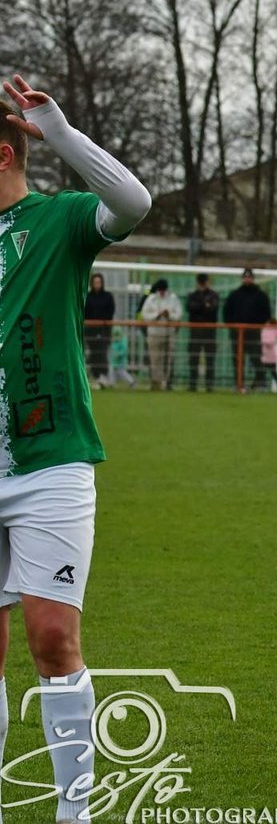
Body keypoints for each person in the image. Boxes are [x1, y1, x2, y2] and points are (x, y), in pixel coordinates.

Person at [0, 72, 151, 823]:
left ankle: (73, 813)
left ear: (3, 155)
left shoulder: (57, 220)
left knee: (53, 639)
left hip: (50, 461)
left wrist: (60, 133)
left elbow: (133, 203)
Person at [224, 268, 273, 391]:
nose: (247, 280)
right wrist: (232, 326)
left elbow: (267, 314)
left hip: (253, 332)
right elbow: (226, 312)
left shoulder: (261, 296)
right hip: (237, 333)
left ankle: (260, 383)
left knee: (256, 358)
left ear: (253, 279)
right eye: (245, 278)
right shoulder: (234, 295)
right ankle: (239, 384)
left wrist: (257, 325)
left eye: (249, 278)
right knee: (238, 360)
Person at [140, 278, 179, 390]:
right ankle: (155, 382)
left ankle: (167, 383)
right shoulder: (150, 298)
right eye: (160, 290)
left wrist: (169, 315)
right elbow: (144, 314)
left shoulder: (173, 298)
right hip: (154, 333)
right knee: (154, 359)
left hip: (169, 333)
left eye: (164, 290)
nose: (162, 292)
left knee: (168, 359)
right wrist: (157, 315)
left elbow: (178, 314)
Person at [185, 273, 221, 391]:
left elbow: (213, 309)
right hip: (195, 332)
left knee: (210, 359)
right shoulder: (192, 295)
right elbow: (190, 308)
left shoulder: (213, 295)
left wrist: (200, 307)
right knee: (193, 359)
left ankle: (209, 385)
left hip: (209, 332)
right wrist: (204, 305)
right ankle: (192, 384)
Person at [84, 273, 116, 387]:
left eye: (99, 282)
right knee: (93, 354)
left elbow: (110, 311)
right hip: (90, 330)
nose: (97, 284)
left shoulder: (108, 296)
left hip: (104, 330)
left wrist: (103, 323)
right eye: (95, 282)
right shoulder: (88, 296)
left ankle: (103, 375)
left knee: (102, 352)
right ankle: (96, 376)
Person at [260, 316, 277, 392]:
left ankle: (260, 386)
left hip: (265, 354)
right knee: (273, 373)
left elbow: (263, 339)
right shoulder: (276, 330)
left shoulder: (265, 329)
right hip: (271, 355)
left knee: (262, 372)